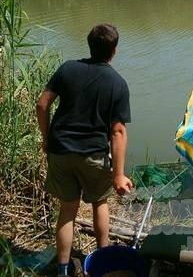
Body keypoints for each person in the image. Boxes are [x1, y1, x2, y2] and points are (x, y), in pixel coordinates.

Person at [37, 24, 133, 277]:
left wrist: (47, 139)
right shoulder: (117, 83)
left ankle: (63, 269)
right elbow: (118, 132)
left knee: (67, 210)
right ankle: (103, 263)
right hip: (93, 156)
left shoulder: (68, 68)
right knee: (100, 203)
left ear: (89, 45)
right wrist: (119, 175)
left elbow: (42, 105)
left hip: (60, 151)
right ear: (114, 51)